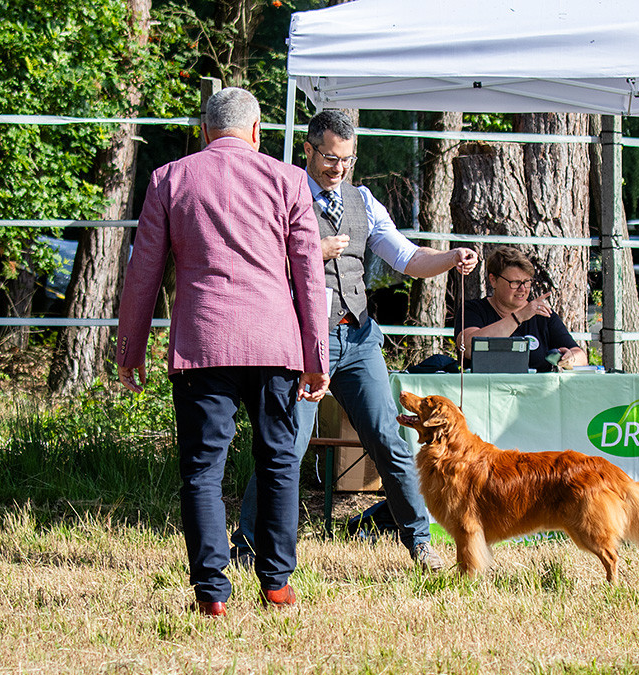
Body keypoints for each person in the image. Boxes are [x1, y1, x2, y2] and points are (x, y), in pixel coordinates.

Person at [231, 109, 478, 571]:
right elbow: (257, 262)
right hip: (302, 342)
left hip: (358, 338)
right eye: (329, 157)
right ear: (307, 150)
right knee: (286, 443)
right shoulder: (283, 192)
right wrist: (308, 251)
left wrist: (450, 257)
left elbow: (406, 257)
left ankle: (420, 542)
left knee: (389, 439)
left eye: (347, 159)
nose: (338, 168)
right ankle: (247, 546)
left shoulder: (363, 200)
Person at [116, 87, 330, 617]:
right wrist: (316, 355)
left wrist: (130, 347)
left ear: (205, 130)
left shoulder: (170, 178)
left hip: (202, 343)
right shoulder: (287, 180)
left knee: (202, 470)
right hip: (274, 344)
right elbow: (309, 272)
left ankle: (212, 592)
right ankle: (277, 584)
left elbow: (144, 270)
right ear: (257, 132)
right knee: (280, 462)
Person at [455, 246, 586, 372]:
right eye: (515, 282)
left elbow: (581, 357)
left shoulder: (542, 315)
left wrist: (570, 358)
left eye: (527, 282)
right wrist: (518, 317)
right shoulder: (473, 310)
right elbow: (469, 347)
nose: (522, 289)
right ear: (493, 280)